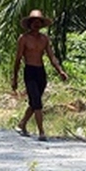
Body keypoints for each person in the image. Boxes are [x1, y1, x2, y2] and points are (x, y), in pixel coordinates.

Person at [12, 9, 68, 141]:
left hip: (41, 72)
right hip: (29, 71)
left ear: (41, 24)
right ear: (30, 23)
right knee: (37, 103)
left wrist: (60, 71)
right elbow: (18, 59)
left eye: (39, 22)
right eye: (34, 22)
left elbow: (51, 57)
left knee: (34, 102)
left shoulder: (44, 39)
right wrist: (14, 78)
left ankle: (22, 124)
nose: (36, 24)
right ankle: (41, 132)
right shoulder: (24, 39)